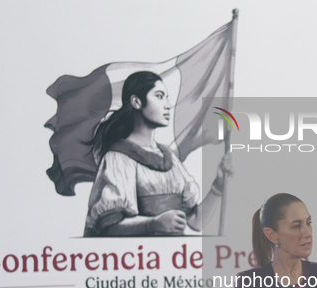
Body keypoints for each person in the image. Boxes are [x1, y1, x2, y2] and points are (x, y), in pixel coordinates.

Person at [84, 71, 231, 236]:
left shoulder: (169, 157)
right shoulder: (118, 158)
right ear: (136, 102)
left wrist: (218, 184)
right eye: (159, 96)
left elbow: (196, 221)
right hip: (138, 258)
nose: (167, 105)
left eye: (166, 97)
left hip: (173, 257)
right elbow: (109, 228)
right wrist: (152, 224)